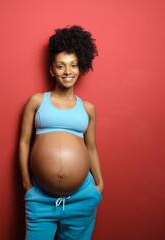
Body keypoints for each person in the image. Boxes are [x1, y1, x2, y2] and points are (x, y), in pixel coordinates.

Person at [18, 25, 104, 240]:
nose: (68, 72)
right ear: (51, 69)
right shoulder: (37, 101)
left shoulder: (87, 109)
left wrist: (99, 186)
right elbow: (23, 144)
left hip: (82, 198)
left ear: (80, 68)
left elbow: (91, 148)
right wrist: (27, 185)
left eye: (73, 65)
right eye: (61, 66)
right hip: (40, 198)